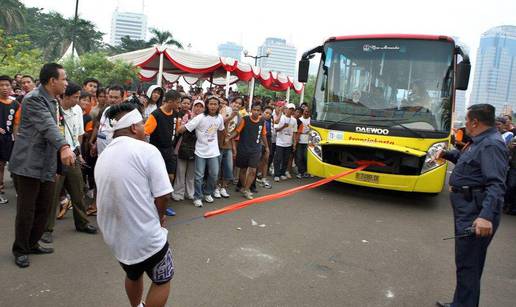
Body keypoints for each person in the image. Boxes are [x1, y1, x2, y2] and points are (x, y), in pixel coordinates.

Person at [95, 103, 174, 307]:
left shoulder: (103, 155)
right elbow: (163, 194)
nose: (144, 128)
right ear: (133, 127)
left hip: (116, 238)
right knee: (163, 279)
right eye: (141, 124)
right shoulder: (147, 150)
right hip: (145, 236)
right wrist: (161, 216)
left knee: (133, 273)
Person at [435, 104, 508, 307]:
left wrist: (485, 216)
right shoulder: (480, 141)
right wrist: (446, 154)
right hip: (467, 208)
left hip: (475, 212)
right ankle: (461, 303)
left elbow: (496, 184)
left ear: (475, 122)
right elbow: (468, 162)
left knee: (469, 265)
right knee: (466, 264)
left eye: (466, 121)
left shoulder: (492, 145)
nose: (465, 124)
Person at [9, 63, 76, 268]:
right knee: (27, 210)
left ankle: (32, 243)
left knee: (45, 207)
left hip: (46, 163)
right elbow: (48, 126)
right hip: (28, 163)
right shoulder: (34, 98)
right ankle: (20, 250)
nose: (66, 82)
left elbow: (56, 128)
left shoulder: (53, 100)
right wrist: (64, 147)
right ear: (52, 80)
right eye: (64, 78)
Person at [41, 82, 97, 244]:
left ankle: (82, 223)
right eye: (75, 97)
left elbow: (79, 134)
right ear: (64, 96)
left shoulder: (78, 110)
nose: (78, 101)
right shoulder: (54, 110)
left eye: (79, 97)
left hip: (73, 156)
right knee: (52, 195)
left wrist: (78, 153)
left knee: (78, 191)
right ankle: (46, 229)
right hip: (56, 157)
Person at [178, 96, 225, 207]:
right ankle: (197, 197)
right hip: (200, 151)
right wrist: (179, 129)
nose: (213, 106)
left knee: (214, 174)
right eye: (211, 104)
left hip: (214, 152)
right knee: (199, 176)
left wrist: (221, 144)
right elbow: (187, 127)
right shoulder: (200, 117)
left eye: (215, 104)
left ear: (218, 106)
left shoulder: (220, 118)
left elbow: (222, 131)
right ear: (207, 105)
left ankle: (207, 193)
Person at [144, 90, 182, 216]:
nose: (179, 105)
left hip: (169, 151)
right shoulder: (155, 115)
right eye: (178, 102)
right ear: (170, 101)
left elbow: (176, 131)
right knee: (156, 180)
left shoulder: (176, 114)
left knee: (170, 177)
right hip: (156, 151)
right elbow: (145, 132)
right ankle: (151, 205)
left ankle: (163, 205)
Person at [227, 103, 268, 199]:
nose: (256, 112)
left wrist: (266, 147)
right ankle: (243, 187)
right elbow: (237, 131)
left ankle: (246, 189)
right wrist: (228, 138)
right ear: (251, 110)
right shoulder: (245, 119)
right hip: (243, 148)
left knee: (253, 170)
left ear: (260, 112)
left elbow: (263, 135)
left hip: (255, 149)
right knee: (243, 169)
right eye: (254, 110)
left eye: (258, 110)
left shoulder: (262, 121)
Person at [172, 99, 204, 201]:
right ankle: (178, 193)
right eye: (196, 106)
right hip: (184, 146)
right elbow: (179, 130)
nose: (198, 108)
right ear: (193, 107)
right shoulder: (187, 116)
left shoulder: (205, 119)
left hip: (197, 148)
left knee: (191, 173)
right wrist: (189, 124)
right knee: (180, 172)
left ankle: (190, 193)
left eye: (200, 106)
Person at [0, 75, 21, 204]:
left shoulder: (15, 104)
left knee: (8, 165)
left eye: (7, 85)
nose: (4, 88)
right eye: (1, 85)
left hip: (8, 139)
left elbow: (16, 124)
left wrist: (17, 140)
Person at [273, 103, 297, 182]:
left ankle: (282, 173)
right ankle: (276, 175)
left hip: (288, 143)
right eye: (290, 109)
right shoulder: (281, 118)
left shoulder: (294, 120)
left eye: (292, 110)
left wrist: (294, 143)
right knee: (278, 159)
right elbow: (276, 129)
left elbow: (294, 132)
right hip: (280, 142)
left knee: (286, 159)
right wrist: (283, 126)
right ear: (286, 109)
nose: (291, 111)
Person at [296, 107, 311, 178]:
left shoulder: (311, 120)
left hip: (308, 141)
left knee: (306, 157)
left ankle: (306, 171)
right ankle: (300, 172)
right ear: (303, 112)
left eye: (308, 111)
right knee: (299, 157)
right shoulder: (299, 120)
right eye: (305, 111)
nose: (306, 113)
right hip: (300, 140)